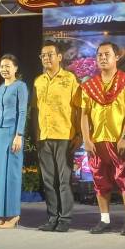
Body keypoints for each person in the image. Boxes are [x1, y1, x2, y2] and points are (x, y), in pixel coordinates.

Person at [81, 42, 125, 235]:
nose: (103, 58)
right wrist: (86, 139)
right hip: (96, 141)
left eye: (107, 54)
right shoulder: (89, 86)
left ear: (117, 57)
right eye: (99, 55)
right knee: (99, 179)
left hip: (119, 139)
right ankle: (104, 219)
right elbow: (84, 115)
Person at [31, 41, 81, 232]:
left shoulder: (70, 79)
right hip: (44, 137)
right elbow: (35, 110)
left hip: (64, 135)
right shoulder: (38, 81)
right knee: (48, 181)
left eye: (50, 54)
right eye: (43, 55)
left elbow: (79, 108)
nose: (46, 58)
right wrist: (36, 135)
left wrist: (79, 134)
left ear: (59, 57)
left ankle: (65, 219)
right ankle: (52, 218)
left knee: (63, 180)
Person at [0, 54, 28, 229]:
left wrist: (19, 134)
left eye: (8, 66)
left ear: (15, 68)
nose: (4, 69)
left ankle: (14, 215)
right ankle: (2, 215)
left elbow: (22, 111)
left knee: (12, 174)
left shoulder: (20, 86)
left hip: (13, 133)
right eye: (2, 66)